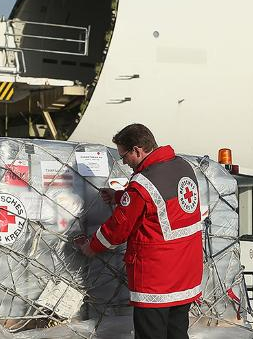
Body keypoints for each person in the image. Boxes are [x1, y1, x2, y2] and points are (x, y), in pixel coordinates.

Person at [80, 124, 203, 339]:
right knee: (177, 333)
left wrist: (91, 247)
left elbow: (117, 229)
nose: (124, 163)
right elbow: (161, 202)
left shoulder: (141, 184)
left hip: (156, 278)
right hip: (185, 273)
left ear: (137, 150)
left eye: (124, 156)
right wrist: (120, 196)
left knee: (150, 334)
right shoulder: (182, 166)